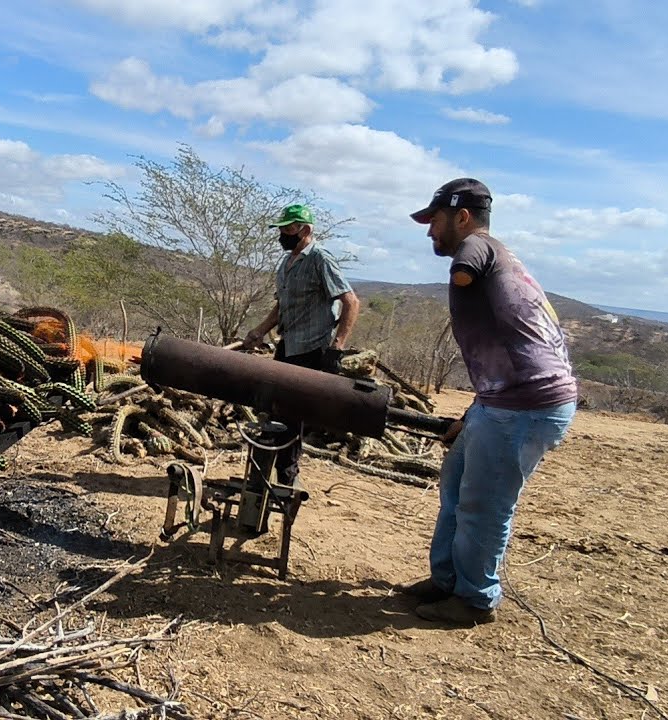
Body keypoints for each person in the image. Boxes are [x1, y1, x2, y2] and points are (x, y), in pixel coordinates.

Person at [401, 178, 577, 625]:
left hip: (525, 405)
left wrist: (463, 268)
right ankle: (447, 580)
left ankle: (475, 599)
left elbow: (467, 266)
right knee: (456, 485)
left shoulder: (478, 246)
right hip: (501, 400)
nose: (430, 232)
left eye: (435, 221)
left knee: (484, 503)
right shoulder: (504, 259)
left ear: (462, 217)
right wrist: (471, 413)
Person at [244, 203, 360, 485]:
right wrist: (259, 331)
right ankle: (261, 478)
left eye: (288, 229)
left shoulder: (320, 259)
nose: (282, 235)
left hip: (311, 349)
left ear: (305, 230)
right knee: (272, 409)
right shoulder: (286, 263)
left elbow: (351, 302)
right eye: (282, 229)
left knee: (292, 415)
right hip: (288, 346)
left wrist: (337, 347)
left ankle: (287, 480)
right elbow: (281, 306)